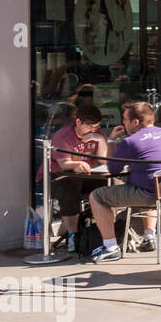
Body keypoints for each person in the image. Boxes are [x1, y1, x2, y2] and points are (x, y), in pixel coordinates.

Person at [85, 102, 161, 262]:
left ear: (135, 122)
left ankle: (110, 248)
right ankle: (149, 236)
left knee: (97, 196)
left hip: (148, 195)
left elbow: (113, 169)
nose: (123, 123)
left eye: (125, 119)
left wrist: (111, 141)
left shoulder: (131, 141)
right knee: (149, 185)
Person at [39, 104, 109, 251]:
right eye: (89, 126)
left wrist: (101, 141)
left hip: (86, 176)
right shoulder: (63, 135)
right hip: (56, 176)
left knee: (107, 186)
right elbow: (64, 164)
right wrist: (76, 165)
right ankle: (73, 236)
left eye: (96, 127)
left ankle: (105, 232)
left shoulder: (98, 133)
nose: (93, 130)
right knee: (69, 187)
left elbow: (103, 161)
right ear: (78, 122)